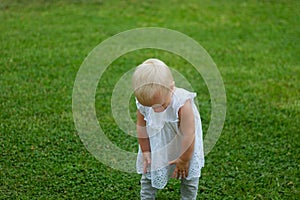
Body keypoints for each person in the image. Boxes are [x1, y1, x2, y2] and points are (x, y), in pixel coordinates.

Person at [132, 58, 205, 200]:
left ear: (171, 88)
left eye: (160, 105)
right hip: (158, 142)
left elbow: (189, 134)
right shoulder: (144, 103)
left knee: (189, 177)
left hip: (185, 143)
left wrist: (184, 160)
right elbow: (141, 128)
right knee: (148, 175)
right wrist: (146, 151)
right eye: (151, 106)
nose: (156, 110)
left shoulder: (182, 104)